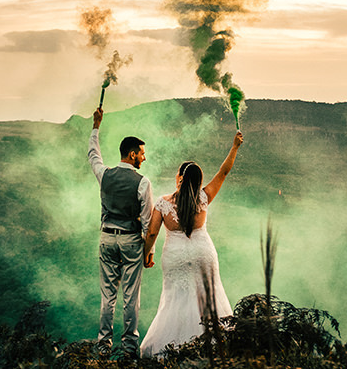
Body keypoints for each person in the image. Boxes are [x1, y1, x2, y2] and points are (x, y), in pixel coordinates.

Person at [139, 126, 244, 358]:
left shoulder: (163, 203)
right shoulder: (204, 197)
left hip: (175, 255)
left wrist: (147, 255)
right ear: (198, 180)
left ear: (179, 177)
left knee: (176, 300)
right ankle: (212, 348)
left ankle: (172, 350)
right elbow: (224, 172)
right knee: (209, 296)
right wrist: (235, 147)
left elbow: (152, 234)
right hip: (202, 251)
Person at [88, 107, 154, 358]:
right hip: (130, 242)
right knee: (130, 297)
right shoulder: (143, 182)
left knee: (107, 296)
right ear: (132, 154)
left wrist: (96, 125)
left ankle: (103, 346)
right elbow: (148, 224)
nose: (144, 158)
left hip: (106, 238)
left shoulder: (104, 174)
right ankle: (129, 348)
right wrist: (149, 252)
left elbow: (93, 154)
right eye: (142, 154)